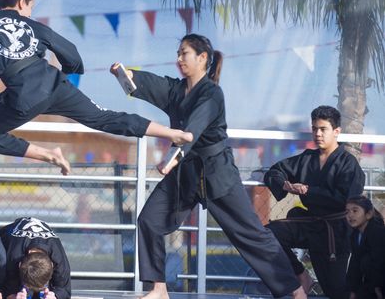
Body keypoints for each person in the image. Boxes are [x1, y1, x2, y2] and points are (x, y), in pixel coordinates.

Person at [0, 0, 192, 176]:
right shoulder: (33, 26)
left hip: (24, 97)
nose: (31, 11)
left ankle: (49, 154)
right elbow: (70, 51)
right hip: (55, 85)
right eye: (31, 5)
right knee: (106, 118)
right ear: (21, 2)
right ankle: (174, 133)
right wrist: (71, 72)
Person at [110, 33, 306, 299]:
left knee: (250, 235)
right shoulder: (176, 90)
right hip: (185, 175)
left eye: (184, 53)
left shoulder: (212, 94)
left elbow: (191, 132)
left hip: (217, 174)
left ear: (203, 58)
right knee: (150, 220)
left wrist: (171, 159)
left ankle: (294, 290)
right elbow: (148, 84)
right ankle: (158, 289)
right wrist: (125, 75)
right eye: (178, 53)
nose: (179, 59)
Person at [264, 105, 366, 299]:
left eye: (323, 129)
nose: (317, 134)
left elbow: (346, 199)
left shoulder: (348, 164)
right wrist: (286, 185)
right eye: (314, 129)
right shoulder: (307, 159)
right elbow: (275, 171)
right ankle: (301, 275)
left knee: (336, 292)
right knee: (268, 234)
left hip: (335, 232)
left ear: (336, 132)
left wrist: (310, 190)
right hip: (310, 225)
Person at [0, 217, 70, 299]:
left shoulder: (58, 258)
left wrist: (55, 296)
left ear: (52, 265)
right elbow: (2, 287)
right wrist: (12, 296)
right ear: (19, 265)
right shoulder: (13, 256)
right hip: (8, 233)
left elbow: (65, 290)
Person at [346, 195, 385, 299]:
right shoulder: (355, 235)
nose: (350, 215)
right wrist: (353, 290)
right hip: (370, 282)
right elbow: (354, 264)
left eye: (355, 211)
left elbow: (379, 262)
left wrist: (378, 288)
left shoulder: (377, 232)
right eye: (347, 212)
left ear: (368, 214)